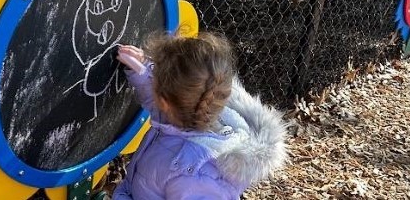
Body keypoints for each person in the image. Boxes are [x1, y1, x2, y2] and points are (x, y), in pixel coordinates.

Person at [112, 32, 288, 200]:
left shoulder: (195, 173)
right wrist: (143, 72)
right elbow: (162, 103)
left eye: (155, 76)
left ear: (165, 101)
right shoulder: (197, 115)